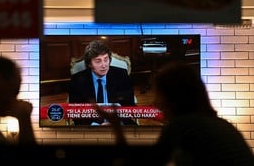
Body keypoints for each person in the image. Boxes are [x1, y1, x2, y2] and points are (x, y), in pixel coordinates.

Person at [96, 61, 254, 165]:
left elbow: (140, 163)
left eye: (160, 95)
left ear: (174, 97)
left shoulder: (184, 124)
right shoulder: (221, 124)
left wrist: (116, 125)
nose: (155, 103)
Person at [68, 40, 137, 126]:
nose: (104, 65)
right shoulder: (77, 80)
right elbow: (76, 111)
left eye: (106, 59)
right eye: (98, 61)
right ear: (89, 64)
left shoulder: (121, 75)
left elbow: (129, 106)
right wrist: (95, 126)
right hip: (90, 127)